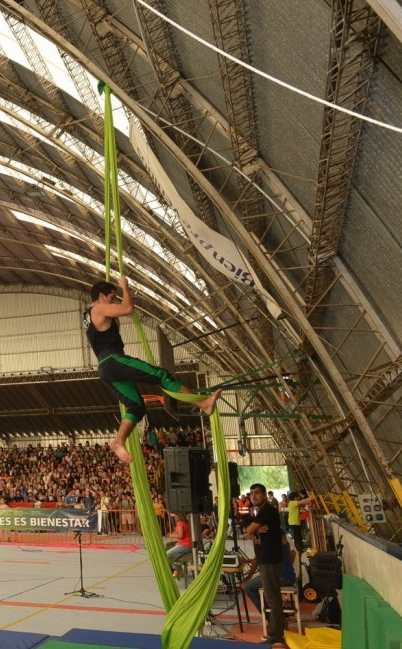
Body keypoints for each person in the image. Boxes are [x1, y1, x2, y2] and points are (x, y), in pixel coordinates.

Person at [84, 277, 220, 462]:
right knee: (161, 375)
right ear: (101, 296)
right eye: (113, 297)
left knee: (137, 406)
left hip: (105, 368)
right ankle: (202, 403)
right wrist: (125, 288)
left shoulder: (88, 315)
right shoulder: (98, 308)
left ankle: (118, 440)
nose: (115, 302)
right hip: (113, 360)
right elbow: (127, 309)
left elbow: (111, 325)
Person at [245, 483, 286, 648]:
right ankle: (275, 623)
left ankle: (276, 636)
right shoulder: (262, 512)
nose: (253, 496)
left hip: (270, 562)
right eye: (251, 494)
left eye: (256, 493)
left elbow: (249, 530)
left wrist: (251, 531)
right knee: (268, 595)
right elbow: (250, 533)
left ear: (264, 495)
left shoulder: (266, 510)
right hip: (266, 561)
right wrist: (252, 532)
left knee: (272, 598)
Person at [243, 533, 297, 613]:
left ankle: (269, 616)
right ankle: (274, 614)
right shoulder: (279, 537)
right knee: (258, 583)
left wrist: (248, 577)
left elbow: (257, 560)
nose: (246, 535)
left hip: (282, 577)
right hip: (288, 575)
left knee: (248, 587)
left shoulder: (269, 540)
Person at [288, 490, 316, 555]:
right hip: (293, 522)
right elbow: (301, 502)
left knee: (299, 535)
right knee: (297, 536)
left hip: (296, 521)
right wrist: (309, 499)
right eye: (297, 497)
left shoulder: (293, 503)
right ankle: (298, 548)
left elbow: (302, 504)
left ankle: (300, 547)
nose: (298, 498)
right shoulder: (292, 502)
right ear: (294, 498)